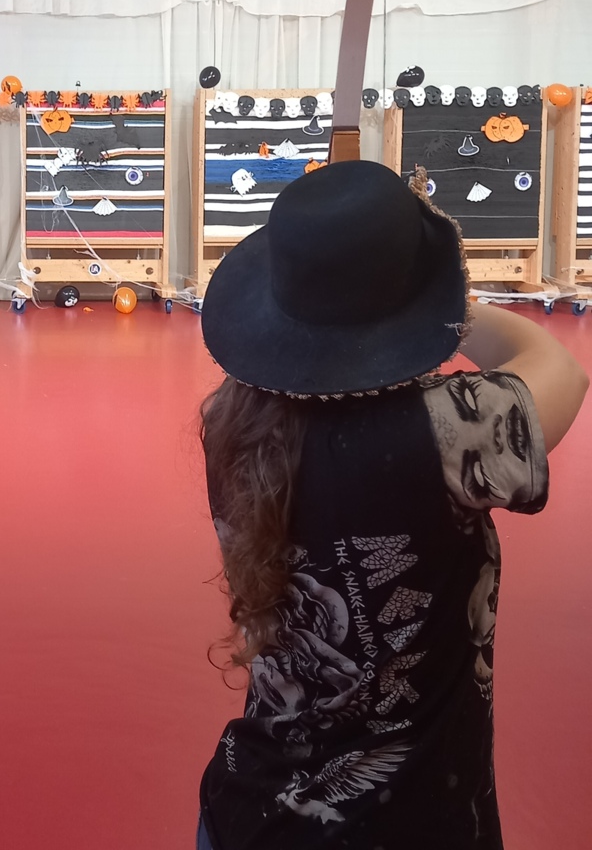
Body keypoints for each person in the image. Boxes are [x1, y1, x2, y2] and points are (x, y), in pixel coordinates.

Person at [195, 159, 587, 850]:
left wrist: (404, 305)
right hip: (411, 821)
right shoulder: (447, 432)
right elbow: (562, 370)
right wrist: (449, 309)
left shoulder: (232, 422)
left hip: (251, 806)